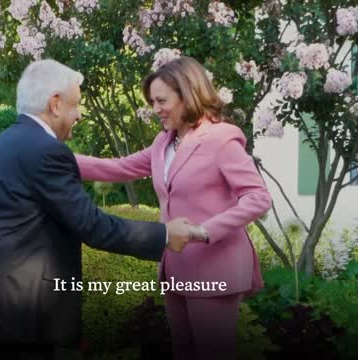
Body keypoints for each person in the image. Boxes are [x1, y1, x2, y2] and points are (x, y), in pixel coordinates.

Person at [0, 59, 197, 360]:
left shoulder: (3, 143)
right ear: (55, 104)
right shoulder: (46, 150)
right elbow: (92, 225)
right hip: (15, 322)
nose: (79, 115)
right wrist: (165, 235)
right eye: (76, 104)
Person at [75, 56, 272, 359]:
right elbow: (116, 167)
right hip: (176, 268)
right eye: (152, 101)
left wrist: (206, 231)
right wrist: (52, 156)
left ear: (187, 94)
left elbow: (258, 198)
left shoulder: (221, 139)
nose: (155, 109)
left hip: (214, 267)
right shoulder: (162, 143)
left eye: (161, 100)